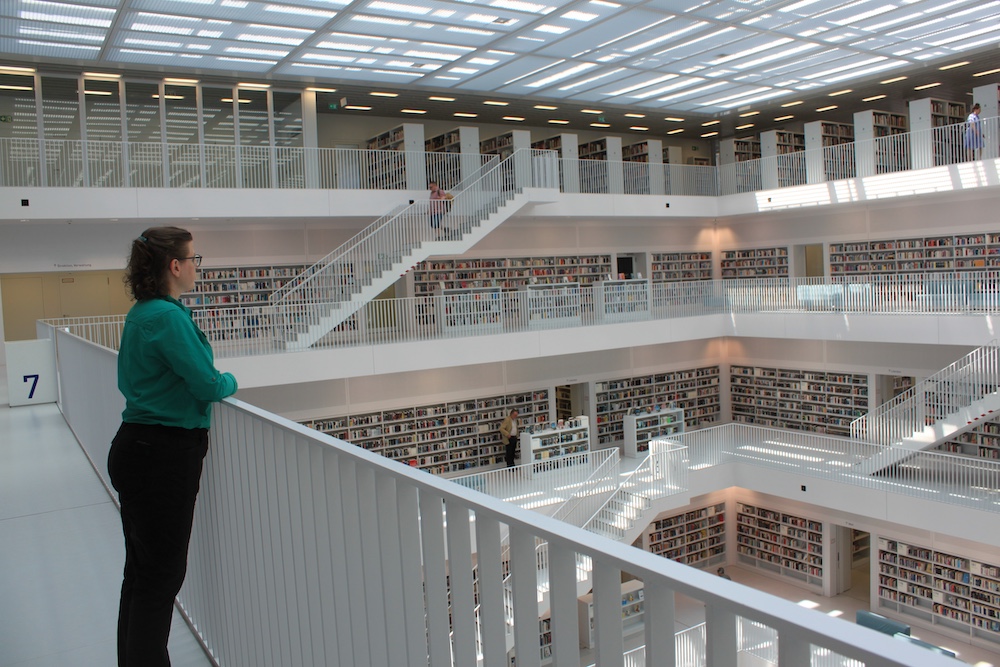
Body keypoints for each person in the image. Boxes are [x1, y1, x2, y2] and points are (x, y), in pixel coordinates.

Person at [107, 226, 238, 667]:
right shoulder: (167, 317)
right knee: (161, 578)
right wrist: (232, 381)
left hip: (137, 449)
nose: (198, 266)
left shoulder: (142, 313)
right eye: (194, 258)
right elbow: (208, 383)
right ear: (175, 266)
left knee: (141, 574)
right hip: (162, 458)